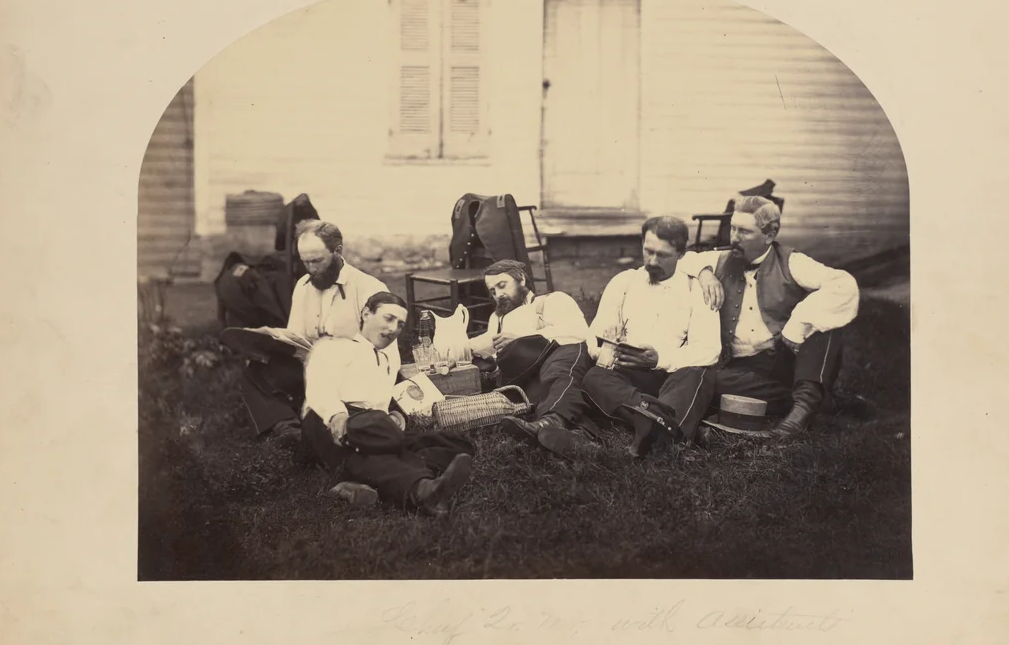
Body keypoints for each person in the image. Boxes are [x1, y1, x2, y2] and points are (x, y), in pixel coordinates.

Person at [679, 193, 860, 439]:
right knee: (707, 381)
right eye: (733, 229)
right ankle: (807, 398)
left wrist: (797, 325)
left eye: (744, 232)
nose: (734, 238)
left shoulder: (792, 262)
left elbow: (842, 284)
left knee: (825, 326)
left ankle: (797, 418)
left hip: (787, 357)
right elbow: (682, 260)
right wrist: (704, 273)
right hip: (743, 369)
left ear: (769, 235)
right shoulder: (719, 260)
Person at [300, 292, 476, 516]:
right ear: (366, 313)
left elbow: (379, 400)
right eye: (388, 318)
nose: (394, 329)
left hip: (374, 425)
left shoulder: (387, 357)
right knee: (369, 452)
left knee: (456, 444)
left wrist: (395, 415)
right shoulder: (335, 346)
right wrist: (337, 415)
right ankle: (423, 491)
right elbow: (319, 388)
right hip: (327, 421)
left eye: (400, 324)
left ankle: (364, 483)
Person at [234, 219, 393, 437]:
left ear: (337, 251)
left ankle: (312, 421)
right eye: (305, 262)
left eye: (317, 261)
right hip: (309, 368)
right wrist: (270, 340)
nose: (311, 269)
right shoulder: (303, 285)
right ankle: (287, 426)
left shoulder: (370, 288)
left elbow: (385, 355)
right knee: (254, 370)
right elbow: (295, 336)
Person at [580, 216, 721, 458]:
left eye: (663, 255)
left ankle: (648, 425)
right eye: (648, 251)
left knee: (698, 375)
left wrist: (658, 360)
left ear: (681, 254)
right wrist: (605, 348)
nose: (653, 261)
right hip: (630, 374)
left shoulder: (697, 289)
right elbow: (596, 335)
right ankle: (667, 428)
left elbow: (709, 350)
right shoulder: (624, 282)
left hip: (673, 375)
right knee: (594, 378)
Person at [467, 259, 596, 459]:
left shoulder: (552, 301)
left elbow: (577, 333)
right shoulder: (497, 318)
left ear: (521, 279)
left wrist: (521, 338)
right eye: (492, 291)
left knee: (558, 373)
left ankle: (551, 425)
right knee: (544, 391)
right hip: (524, 376)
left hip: (559, 360)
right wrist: (458, 348)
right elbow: (486, 341)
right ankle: (577, 436)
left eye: (502, 285)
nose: (498, 294)